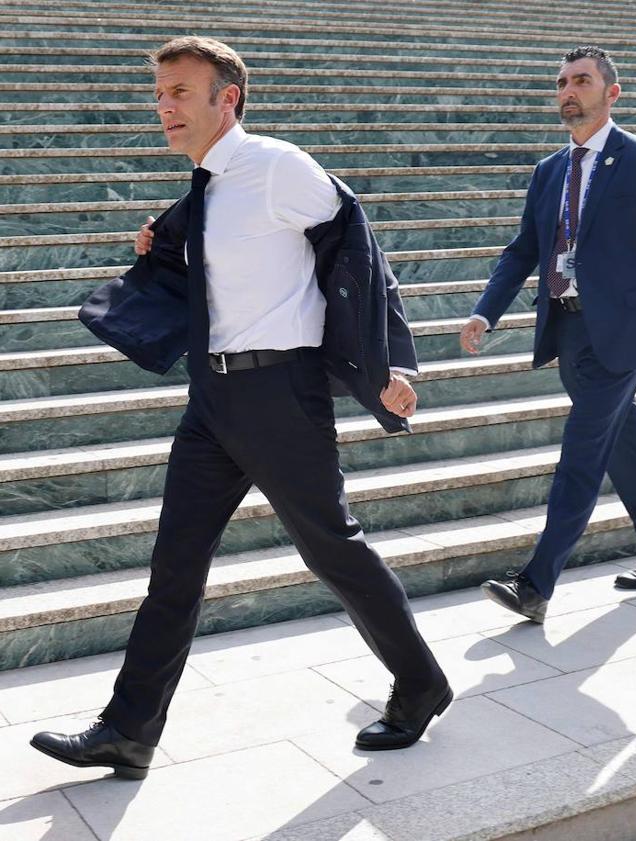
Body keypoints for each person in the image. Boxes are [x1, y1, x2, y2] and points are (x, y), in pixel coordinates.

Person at [30, 36, 451, 780]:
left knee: (331, 547)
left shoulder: (277, 167)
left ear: (227, 99)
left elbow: (362, 251)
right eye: (158, 94)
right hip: (213, 396)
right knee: (175, 564)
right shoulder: (205, 188)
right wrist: (164, 243)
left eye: (180, 92)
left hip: (278, 394)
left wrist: (392, 363)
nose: (164, 107)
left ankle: (420, 682)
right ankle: (128, 730)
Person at [460, 45, 636, 624]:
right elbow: (525, 248)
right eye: (562, 83)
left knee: (581, 452)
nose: (569, 91)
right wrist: (485, 311)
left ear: (611, 93)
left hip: (626, 331)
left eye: (582, 81)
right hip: (569, 329)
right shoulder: (550, 170)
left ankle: (536, 582)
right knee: (623, 445)